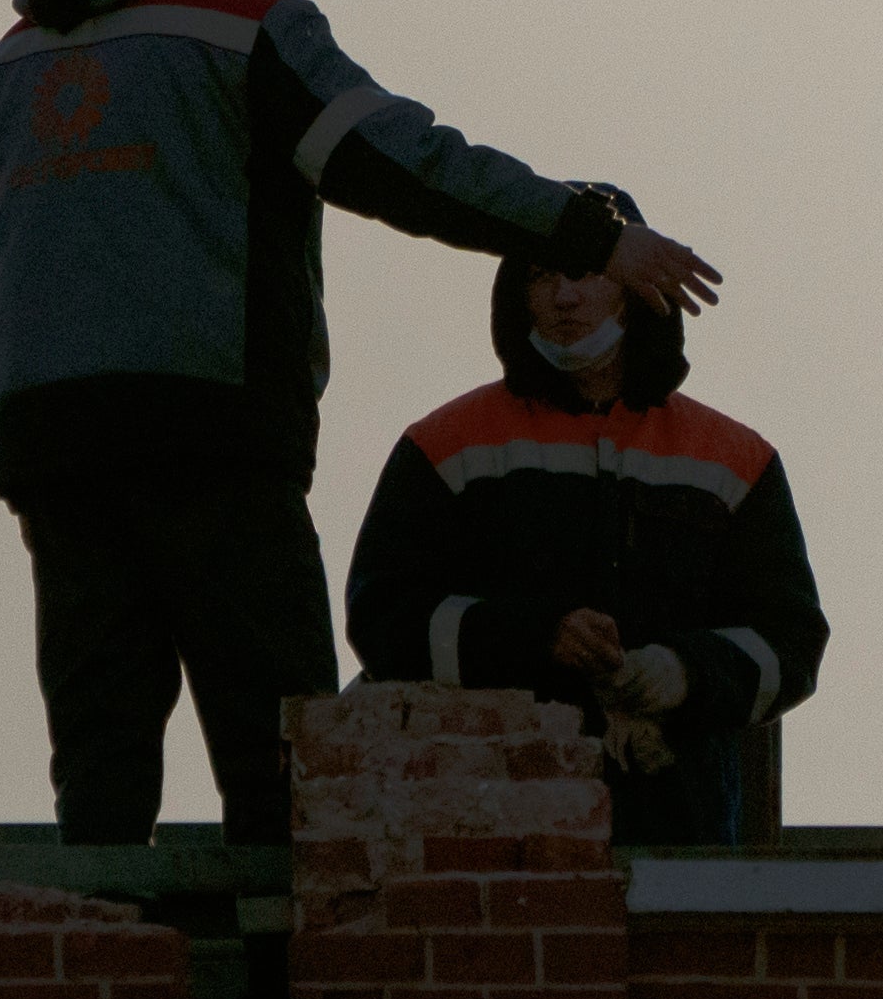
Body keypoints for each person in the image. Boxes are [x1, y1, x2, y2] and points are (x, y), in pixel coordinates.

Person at [0, 0, 720, 846]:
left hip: (50, 429)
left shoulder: (17, 54)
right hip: (210, 421)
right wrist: (592, 233)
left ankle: (98, 968)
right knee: (278, 744)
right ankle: (289, 992)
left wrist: (11, 423)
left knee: (99, 745)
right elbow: (404, 160)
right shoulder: (245, 17)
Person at [342, 239, 827, 849]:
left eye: (587, 272)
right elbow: (384, 618)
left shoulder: (736, 460)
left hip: (679, 832)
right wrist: (537, 639)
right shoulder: (444, 445)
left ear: (638, 292)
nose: (563, 295)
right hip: (487, 838)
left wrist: (681, 673)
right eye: (542, 276)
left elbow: (793, 640)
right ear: (518, 298)